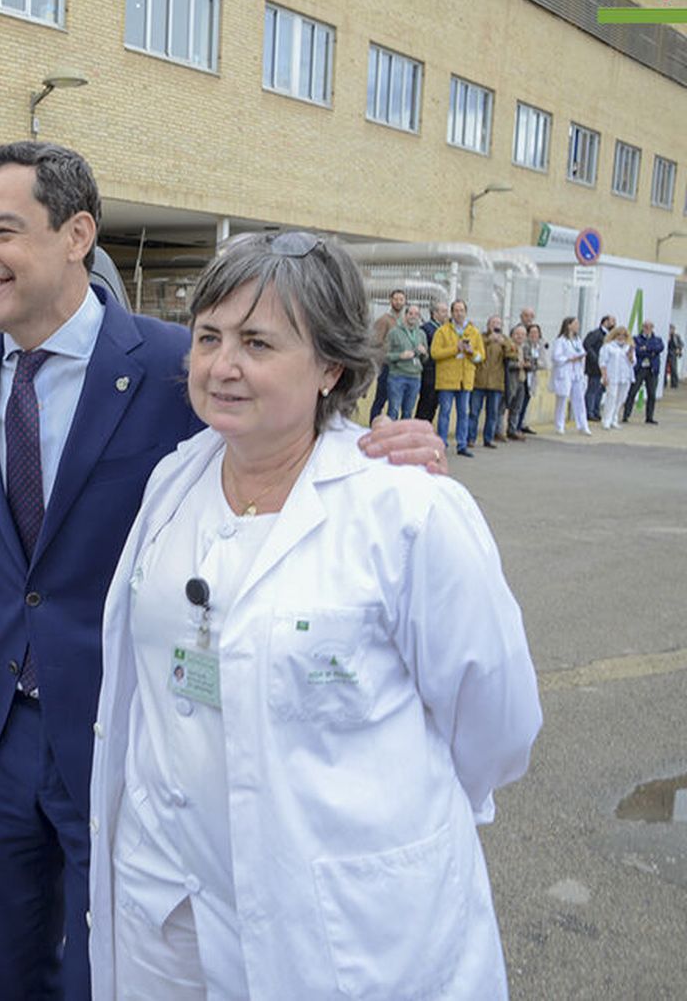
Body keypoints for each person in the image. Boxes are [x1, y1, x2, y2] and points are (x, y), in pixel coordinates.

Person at [0, 143, 446, 1000]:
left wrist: (376, 447)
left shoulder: (171, 366)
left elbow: (273, 440)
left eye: (1, 229)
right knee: (6, 967)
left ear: (77, 233)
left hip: (127, 727)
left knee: (109, 968)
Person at [89, 231, 542, 1000]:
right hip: (164, 898)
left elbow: (497, 725)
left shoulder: (406, 507)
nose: (222, 365)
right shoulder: (174, 480)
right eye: (208, 337)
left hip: (334, 913)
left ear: (331, 364)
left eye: (257, 342)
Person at [431, 299, 481, 456]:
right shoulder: (442, 331)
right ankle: (442, 443)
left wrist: (472, 352)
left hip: (465, 380)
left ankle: (462, 444)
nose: (459, 313)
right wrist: (455, 349)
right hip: (447, 380)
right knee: (444, 412)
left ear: (466, 312)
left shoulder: (474, 332)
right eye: (456, 310)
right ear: (452, 313)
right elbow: (435, 353)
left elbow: (481, 358)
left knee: (463, 413)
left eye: (462, 310)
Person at [468, 315, 508, 449]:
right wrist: (488, 341)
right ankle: (471, 438)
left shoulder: (504, 339)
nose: (495, 325)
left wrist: (504, 343)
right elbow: (474, 349)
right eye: (493, 323)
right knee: (474, 411)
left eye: (498, 323)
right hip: (479, 381)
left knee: (492, 413)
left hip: (496, 383)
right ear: (488, 324)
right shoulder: (480, 337)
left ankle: (488, 438)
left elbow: (513, 352)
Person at [368, 289, 406, 422]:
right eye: (396, 299)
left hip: (401, 367)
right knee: (381, 399)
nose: (398, 302)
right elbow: (376, 342)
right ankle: (373, 427)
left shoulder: (405, 321)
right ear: (390, 300)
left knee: (395, 402)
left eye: (401, 299)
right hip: (387, 366)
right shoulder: (384, 320)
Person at [384, 302, 426, 419]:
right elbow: (385, 355)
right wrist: (400, 356)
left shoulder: (421, 334)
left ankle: (404, 437)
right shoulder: (394, 332)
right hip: (397, 376)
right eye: (411, 313)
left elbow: (425, 359)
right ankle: (391, 436)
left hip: (415, 377)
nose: (413, 316)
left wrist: (423, 353)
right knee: (394, 410)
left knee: (408, 412)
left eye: (416, 314)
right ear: (405, 315)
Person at [550, 316, 591, 436]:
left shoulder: (577, 340)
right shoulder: (561, 340)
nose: (577, 326)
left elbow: (581, 352)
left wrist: (580, 357)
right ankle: (559, 425)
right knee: (562, 400)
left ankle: (583, 425)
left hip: (577, 373)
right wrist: (569, 359)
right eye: (575, 323)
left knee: (579, 399)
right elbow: (556, 357)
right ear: (568, 325)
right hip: (565, 372)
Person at [623, 320, 664, 424]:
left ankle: (649, 417)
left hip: (652, 369)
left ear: (652, 328)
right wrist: (650, 351)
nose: (646, 329)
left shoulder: (657, 339)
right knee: (632, 392)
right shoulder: (636, 339)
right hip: (640, 369)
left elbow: (660, 348)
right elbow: (637, 350)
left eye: (649, 327)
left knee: (652, 394)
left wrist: (647, 348)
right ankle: (626, 415)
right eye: (645, 327)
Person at [599, 325, 635, 430]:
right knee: (611, 397)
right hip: (612, 376)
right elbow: (602, 362)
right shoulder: (608, 346)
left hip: (625, 376)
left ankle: (614, 419)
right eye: (619, 334)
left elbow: (633, 362)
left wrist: (630, 354)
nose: (621, 337)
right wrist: (604, 375)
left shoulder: (629, 347)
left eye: (624, 335)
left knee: (621, 398)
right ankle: (606, 420)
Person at [416, 300, 447, 422]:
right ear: (434, 313)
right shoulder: (426, 329)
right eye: (443, 311)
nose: (446, 314)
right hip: (429, 373)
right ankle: (418, 430)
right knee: (426, 403)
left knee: (434, 404)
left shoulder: (445, 329)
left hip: (441, 373)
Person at [582, 316, 614, 422]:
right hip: (595, 368)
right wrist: (595, 358)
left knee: (600, 390)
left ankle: (596, 411)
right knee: (593, 389)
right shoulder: (596, 334)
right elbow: (587, 344)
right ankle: (589, 412)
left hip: (604, 368)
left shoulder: (609, 336)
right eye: (611, 321)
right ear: (605, 322)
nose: (614, 324)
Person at [517, 322, 545, 435]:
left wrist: (534, 363)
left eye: (536, 333)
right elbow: (527, 363)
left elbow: (544, 364)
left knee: (525, 404)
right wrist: (534, 363)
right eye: (532, 332)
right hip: (523, 378)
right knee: (520, 404)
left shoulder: (539, 347)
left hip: (532, 379)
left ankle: (520, 426)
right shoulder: (525, 346)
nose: (534, 335)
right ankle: (516, 427)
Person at [502, 324, 529, 441]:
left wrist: (529, 365)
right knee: (503, 406)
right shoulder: (509, 347)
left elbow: (532, 362)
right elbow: (506, 364)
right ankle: (498, 431)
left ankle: (512, 429)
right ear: (512, 335)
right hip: (510, 380)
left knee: (517, 407)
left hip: (522, 380)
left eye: (522, 334)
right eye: (517, 334)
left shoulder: (525, 348)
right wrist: (517, 365)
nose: (520, 337)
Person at [668, 323, 682, 389]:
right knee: (664, 369)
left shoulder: (676, 336)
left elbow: (681, 344)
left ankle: (674, 384)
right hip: (667, 352)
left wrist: (678, 349)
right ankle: (664, 383)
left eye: (672, 329)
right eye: (670, 329)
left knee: (673, 368)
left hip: (673, 353)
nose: (671, 330)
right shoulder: (667, 335)